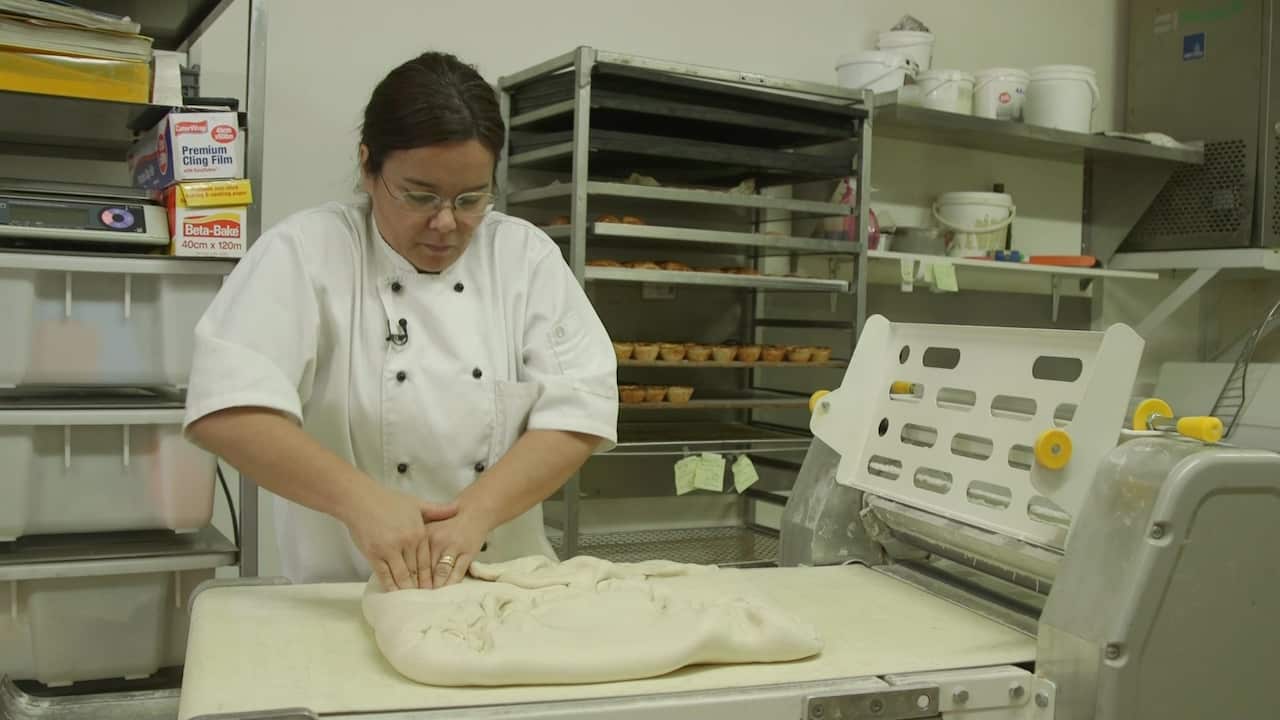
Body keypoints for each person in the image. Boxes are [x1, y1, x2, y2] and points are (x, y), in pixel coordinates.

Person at [183, 51, 618, 592]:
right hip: (343, 591)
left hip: (505, 583)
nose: (446, 223)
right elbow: (225, 410)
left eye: (471, 199)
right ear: (368, 167)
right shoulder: (307, 252)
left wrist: (477, 514)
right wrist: (360, 501)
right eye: (419, 195)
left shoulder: (523, 256)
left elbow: (581, 409)